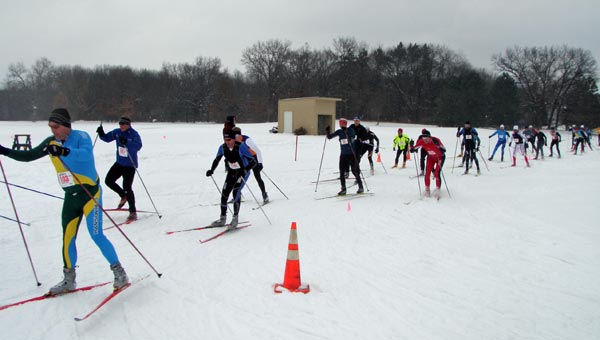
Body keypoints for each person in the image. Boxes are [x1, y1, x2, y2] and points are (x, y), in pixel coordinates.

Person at [0, 108, 128, 294]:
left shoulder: (80, 136)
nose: (53, 131)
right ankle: (69, 280)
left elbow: (84, 154)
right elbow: (28, 156)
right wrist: (4, 151)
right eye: (51, 127)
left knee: (96, 235)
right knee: (68, 238)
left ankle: (120, 273)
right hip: (71, 198)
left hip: (90, 194)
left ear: (66, 125)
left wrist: (63, 150)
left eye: (56, 127)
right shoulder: (51, 142)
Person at [206, 129, 256, 229]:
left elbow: (253, 161)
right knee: (224, 193)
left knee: (235, 192)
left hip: (243, 172)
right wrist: (211, 170)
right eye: (225, 139)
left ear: (234, 139)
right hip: (232, 172)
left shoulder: (241, 147)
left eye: (229, 140)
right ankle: (222, 218)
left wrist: (245, 170)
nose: (227, 142)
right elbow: (217, 159)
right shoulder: (223, 147)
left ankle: (235, 218)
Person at [96, 115, 142, 221]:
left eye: (123, 124)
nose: (121, 126)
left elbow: (138, 145)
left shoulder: (134, 134)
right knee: (108, 181)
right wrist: (101, 133)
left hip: (130, 165)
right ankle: (123, 195)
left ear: (128, 125)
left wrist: (127, 142)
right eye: (120, 124)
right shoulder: (117, 132)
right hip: (119, 163)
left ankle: (132, 212)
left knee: (127, 186)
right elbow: (107, 138)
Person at [326, 118, 364, 195]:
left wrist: (346, 132)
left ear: (345, 124)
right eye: (340, 124)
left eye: (342, 123)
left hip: (351, 154)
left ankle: (361, 186)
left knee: (354, 171)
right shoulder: (339, 131)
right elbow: (329, 137)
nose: (341, 125)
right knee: (342, 172)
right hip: (343, 154)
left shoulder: (350, 130)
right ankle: (343, 189)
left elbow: (352, 138)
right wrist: (327, 131)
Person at [232, 126, 269, 204]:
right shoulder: (235, 141)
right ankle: (238, 195)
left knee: (257, 177)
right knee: (239, 176)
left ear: (238, 135)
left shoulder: (247, 140)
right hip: (245, 159)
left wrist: (260, 163)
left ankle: (264, 195)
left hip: (254, 159)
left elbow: (258, 151)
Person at [409, 130, 446, 199]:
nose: (425, 140)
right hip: (431, 158)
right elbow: (414, 149)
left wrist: (439, 148)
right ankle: (427, 190)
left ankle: (438, 190)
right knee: (427, 173)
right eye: (423, 139)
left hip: (439, 158)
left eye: (426, 139)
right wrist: (411, 147)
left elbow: (444, 149)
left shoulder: (435, 140)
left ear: (430, 137)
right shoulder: (422, 141)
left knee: (436, 173)